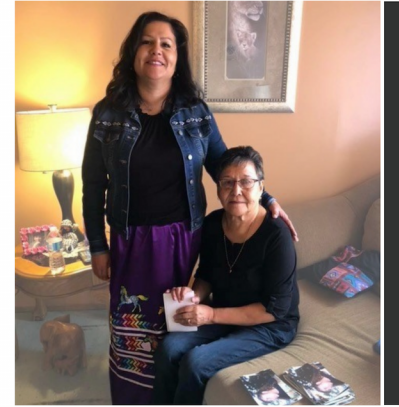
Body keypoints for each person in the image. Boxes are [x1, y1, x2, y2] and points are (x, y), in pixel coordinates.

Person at [81, 12, 297, 404]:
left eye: (166, 44)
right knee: (131, 325)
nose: (156, 51)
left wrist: (266, 199)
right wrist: (97, 244)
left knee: (175, 324)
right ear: (134, 51)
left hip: (183, 239)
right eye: (148, 42)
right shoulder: (107, 114)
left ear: (177, 57)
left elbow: (223, 167)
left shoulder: (195, 112)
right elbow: (94, 184)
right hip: (131, 240)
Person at [152, 146, 299, 404]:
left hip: (268, 325)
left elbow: (273, 310)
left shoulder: (276, 235)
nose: (236, 191)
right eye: (227, 183)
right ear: (218, 188)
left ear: (261, 188)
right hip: (224, 311)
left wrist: (210, 315)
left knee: (196, 363)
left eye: (246, 182)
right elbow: (206, 274)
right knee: (169, 348)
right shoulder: (212, 224)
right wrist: (191, 298)